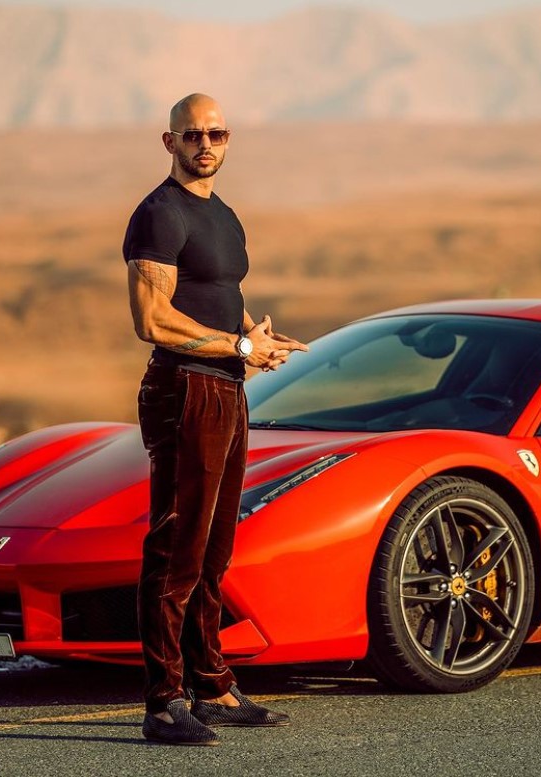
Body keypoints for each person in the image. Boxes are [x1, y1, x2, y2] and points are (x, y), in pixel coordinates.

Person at [123, 93, 308, 746]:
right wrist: (234, 346)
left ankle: (213, 683)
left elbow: (214, 298)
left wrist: (251, 338)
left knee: (214, 549)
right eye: (193, 133)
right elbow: (152, 318)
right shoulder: (159, 214)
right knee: (176, 545)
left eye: (217, 132)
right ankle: (162, 699)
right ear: (168, 141)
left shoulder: (223, 216)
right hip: (184, 390)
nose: (206, 142)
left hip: (226, 390)